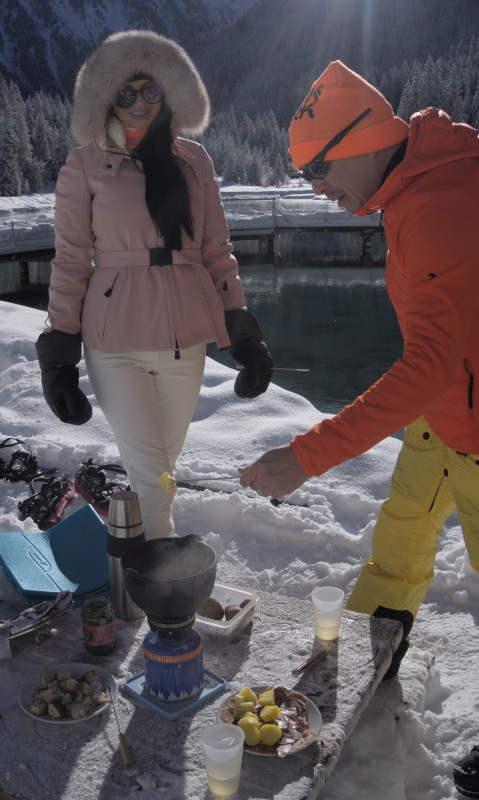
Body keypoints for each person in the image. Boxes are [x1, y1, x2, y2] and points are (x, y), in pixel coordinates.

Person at [238, 60, 479, 790]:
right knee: (400, 537)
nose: (313, 187)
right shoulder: (412, 188)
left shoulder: (438, 206)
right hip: (442, 422)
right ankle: (371, 647)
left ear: (362, 137)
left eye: (316, 168)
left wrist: (305, 457)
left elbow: (428, 364)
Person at [36, 30, 272, 540]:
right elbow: (72, 260)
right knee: (152, 474)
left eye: (151, 91)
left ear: (168, 93)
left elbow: (216, 253)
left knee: (160, 467)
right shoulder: (83, 165)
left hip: (185, 341)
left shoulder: (194, 160)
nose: (139, 103)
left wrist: (242, 335)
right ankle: (163, 584)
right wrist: (58, 354)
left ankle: (129, 563)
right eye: (126, 93)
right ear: (106, 97)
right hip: (113, 342)